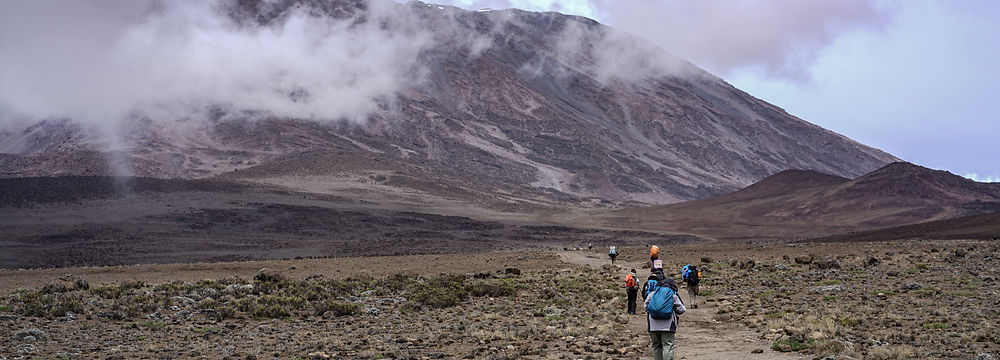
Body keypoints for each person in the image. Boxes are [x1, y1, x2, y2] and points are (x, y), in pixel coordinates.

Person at [644, 260, 686, 360]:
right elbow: (682, 309)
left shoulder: (652, 294)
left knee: (656, 346)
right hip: (668, 325)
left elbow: (645, 307)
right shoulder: (672, 295)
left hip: (653, 325)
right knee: (668, 346)